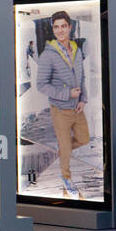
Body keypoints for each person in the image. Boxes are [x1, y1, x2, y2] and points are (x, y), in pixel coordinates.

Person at [34, 11, 89, 199]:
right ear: (52, 29)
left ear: (70, 27)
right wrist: (67, 94)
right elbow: (41, 85)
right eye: (56, 27)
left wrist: (83, 99)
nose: (60, 30)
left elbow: (82, 77)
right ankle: (67, 181)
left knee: (84, 139)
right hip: (60, 110)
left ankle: (62, 150)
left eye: (63, 26)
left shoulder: (77, 49)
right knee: (65, 147)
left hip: (77, 108)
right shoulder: (47, 55)